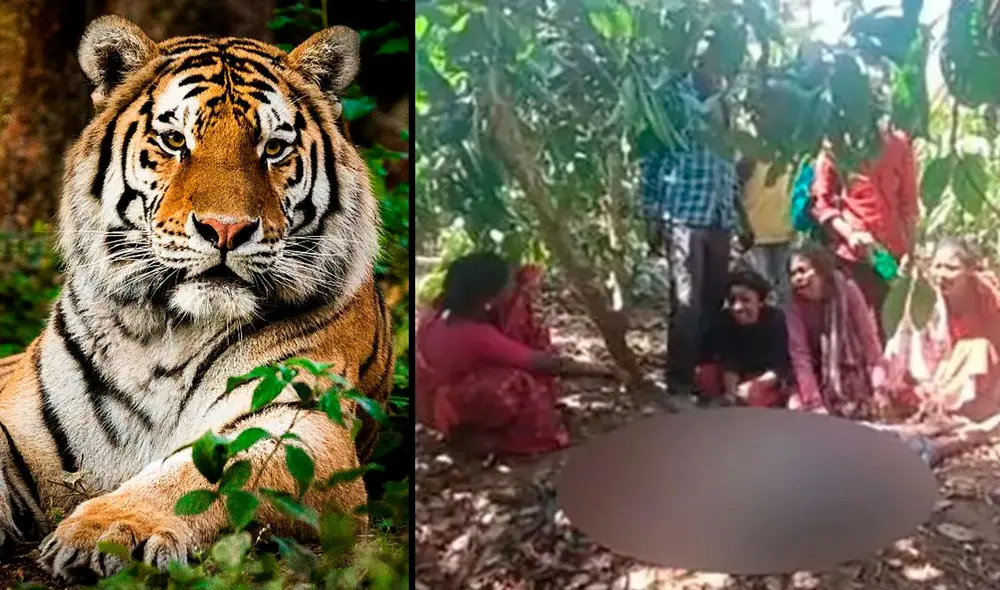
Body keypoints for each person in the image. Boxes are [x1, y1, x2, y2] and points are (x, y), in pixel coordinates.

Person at [415, 252, 624, 456]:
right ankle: (486, 437)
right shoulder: (479, 336)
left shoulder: (435, 314)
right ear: (489, 297)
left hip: (426, 403)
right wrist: (604, 370)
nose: (513, 286)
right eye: (508, 283)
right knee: (516, 381)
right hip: (453, 406)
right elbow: (546, 364)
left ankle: (467, 426)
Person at [641, 64, 747, 395]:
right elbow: (652, 162)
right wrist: (651, 216)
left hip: (719, 218)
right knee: (687, 303)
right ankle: (678, 383)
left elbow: (727, 167)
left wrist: (741, 218)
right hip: (684, 213)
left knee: (714, 300)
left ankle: (704, 375)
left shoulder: (726, 102)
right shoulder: (674, 101)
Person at [877, 238, 1000, 464]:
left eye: (951, 268)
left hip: (981, 378)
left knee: (977, 348)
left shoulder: (986, 294)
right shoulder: (924, 298)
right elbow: (909, 343)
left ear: (970, 270)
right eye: (937, 266)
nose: (941, 274)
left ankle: (947, 426)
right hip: (933, 377)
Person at [811, 126, 919, 339]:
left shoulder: (898, 145)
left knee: (891, 323)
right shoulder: (835, 145)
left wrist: (910, 252)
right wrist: (850, 234)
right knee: (853, 323)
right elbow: (821, 202)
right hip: (853, 254)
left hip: (889, 253)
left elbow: (909, 205)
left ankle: (889, 371)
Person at [784, 245, 887, 419]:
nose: (797, 279)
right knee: (796, 409)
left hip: (853, 370)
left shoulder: (848, 290)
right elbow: (800, 355)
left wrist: (879, 387)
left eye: (802, 271)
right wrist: (814, 403)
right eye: (793, 274)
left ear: (821, 271)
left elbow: (870, 343)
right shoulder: (793, 305)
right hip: (815, 377)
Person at [694, 268, 792, 407]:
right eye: (732, 301)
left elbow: (780, 366)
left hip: (765, 374)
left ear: (760, 301)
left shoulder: (776, 321)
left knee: (754, 399)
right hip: (731, 373)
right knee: (705, 377)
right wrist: (731, 394)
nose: (738, 307)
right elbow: (728, 360)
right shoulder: (723, 321)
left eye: (745, 300)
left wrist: (757, 385)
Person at [736, 158, 794, 304]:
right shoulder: (748, 160)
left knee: (786, 291)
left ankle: (787, 326)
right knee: (763, 289)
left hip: (784, 233)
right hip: (756, 235)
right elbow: (735, 194)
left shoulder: (787, 158)